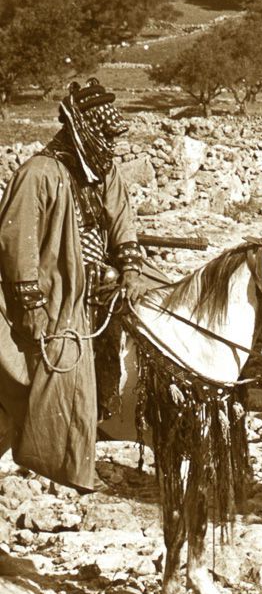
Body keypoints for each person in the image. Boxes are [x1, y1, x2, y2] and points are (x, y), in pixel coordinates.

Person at [0, 79, 156, 493]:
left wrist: (131, 268)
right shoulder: (39, 173)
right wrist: (32, 306)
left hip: (92, 294)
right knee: (60, 375)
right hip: (52, 297)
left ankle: (83, 455)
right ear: (81, 129)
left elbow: (122, 222)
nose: (111, 144)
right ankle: (53, 462)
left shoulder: (102, 172)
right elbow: (18, 246)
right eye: (104, 134)